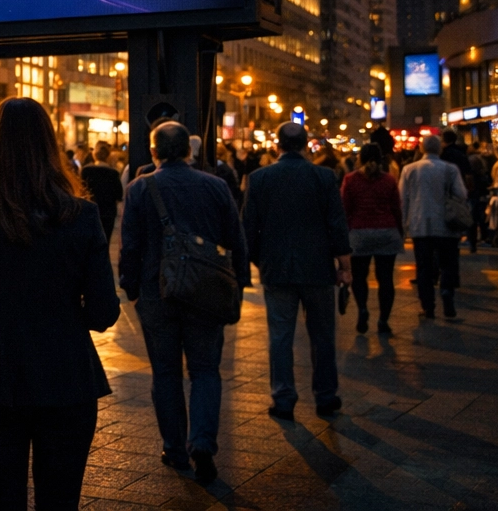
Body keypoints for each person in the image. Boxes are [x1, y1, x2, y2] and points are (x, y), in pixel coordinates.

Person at [0, 98, 120, 510]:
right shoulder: (82, 215)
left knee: (2, 500)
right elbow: (104, 312)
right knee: (60, 500)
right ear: (50, 143)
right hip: (68, 376)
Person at [118, 121, 248, 486]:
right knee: (206, 369)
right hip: (205, 292)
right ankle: (203, 441)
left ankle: (175, 448)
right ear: (189, 151)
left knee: (166, 373)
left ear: (154, 151)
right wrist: (239, 281)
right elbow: (235, 239)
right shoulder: (216, 186)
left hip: (157, 292)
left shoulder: (140, 189)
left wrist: (131, 287)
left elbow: (130, 246)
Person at [242, 122, 352, 419]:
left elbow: (248, 230)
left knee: (280, 336)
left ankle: (284, 398)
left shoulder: (259, 178)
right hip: (318, 269)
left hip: (277, 269)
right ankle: (326, 396)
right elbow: (337, 225)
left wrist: (259, 260)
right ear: (306, 145)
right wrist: (344, 267)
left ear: (277, 145)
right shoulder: (324, 177)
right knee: (323, 335)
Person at [399, 134, 468, 320]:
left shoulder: (409, 169)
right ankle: (447, 291)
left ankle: (428, 306)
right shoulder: (450, 169)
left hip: (420, 224)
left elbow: (402, 200)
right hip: (446, 225)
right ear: (440, 149)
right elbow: (461, 194)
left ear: (421, 148)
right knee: (448, 263)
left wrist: (403, 225)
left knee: (424, 267)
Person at [341, 143, 404, 334]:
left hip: (359, 234)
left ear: (359, 158)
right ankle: (383, 321)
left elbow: (345, 209)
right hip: (386, 232)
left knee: (359, 277)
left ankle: (362, 309)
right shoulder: (389, 180)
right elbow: (396, 209)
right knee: (386, 279)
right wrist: (400, 232)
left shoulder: (350, 180)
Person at [80, 150, 123, 241]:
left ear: (94, 156)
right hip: (108, 212)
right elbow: (119, 194)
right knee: (105, 239)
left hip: (89, 210)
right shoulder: (113, 173)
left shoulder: (86, 171)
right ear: (107, 157)